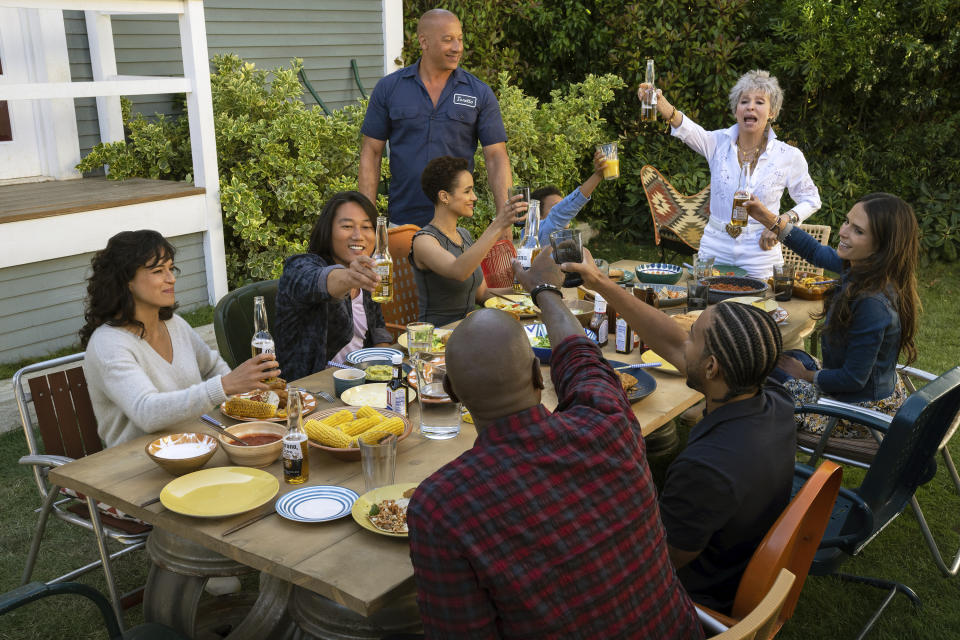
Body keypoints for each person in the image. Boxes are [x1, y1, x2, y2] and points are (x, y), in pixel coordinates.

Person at [406, 249, 703, 639]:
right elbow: (581, 357)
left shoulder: (441, 506)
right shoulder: (609, 422)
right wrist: (544, 290)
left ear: (451, 392)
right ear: (537, 374)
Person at [563, 249, 796, 612]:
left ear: (712, 366)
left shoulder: (708, 469)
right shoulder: (774, 402)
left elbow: (653, 562)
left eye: (694, 337)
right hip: (734, 551)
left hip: (692, 595)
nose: (683, 339)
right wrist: (599, 283)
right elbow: (671, 341)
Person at [745, 192, 920, 439]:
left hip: (856, 411)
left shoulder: (872, 302)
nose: (844, 232)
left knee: (757, 371)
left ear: (882, 246)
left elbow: (852, 380)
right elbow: (815, 251)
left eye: (858, 231)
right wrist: (766, 217)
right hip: (862, 393)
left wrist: (805, 375)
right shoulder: (865, 270)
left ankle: (743, 444)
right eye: (847, 222)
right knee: (782, 357)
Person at [81, 230, 279, 447]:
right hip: (138, 465)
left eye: (171, 268)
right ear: (126, 281)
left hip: (196, 445)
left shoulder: (174, 324)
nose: (171, 278)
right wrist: (225, 386)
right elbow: (146, 412)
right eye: (158, 271)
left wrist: (241, 395)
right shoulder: (108, 344)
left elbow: (212, 365)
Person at [640, 69, 821, 278]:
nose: (750, 106)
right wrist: (658, 100)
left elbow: (811, 199)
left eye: (760, 102)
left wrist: (780, 223)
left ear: (772, 112)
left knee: (759, 308)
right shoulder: (717, 142)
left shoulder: (788, 155)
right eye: (744, 101)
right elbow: (685, 127)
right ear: (736, 110)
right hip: (715, 248)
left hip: (761, 254)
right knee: (707, 305)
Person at [358, 8, 511, 228]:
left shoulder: (478, 93)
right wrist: (367, 220)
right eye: (448, 40)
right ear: (424, 41)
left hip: (457, 227)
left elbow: (496, 157)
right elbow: (371, 153)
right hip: (403, 224)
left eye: (459, 39)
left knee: (458, 265)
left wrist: (503, 219)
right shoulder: (389, 88)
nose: (457, 48)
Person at [275, 191, 394, 380]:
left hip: (361, 381)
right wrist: (349, 278)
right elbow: (315, 280)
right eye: (347, 226)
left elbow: (377, 328)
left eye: (366, 227)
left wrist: (385, 368)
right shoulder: (299, 267)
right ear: (327, 230)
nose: (358, 236)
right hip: (312, 390)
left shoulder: (367, 271)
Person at [410, 156, 525, 326]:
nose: (474, 197)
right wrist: (499, 224)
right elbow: (458, 271)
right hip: (437, 336)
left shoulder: (464, 235)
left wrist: (524, 288)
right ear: (444, 197)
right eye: (467, 191)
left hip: (470, 330)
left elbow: (482, 294)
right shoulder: (424, 241)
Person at [532, 149, 608, 247]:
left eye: (562, 204)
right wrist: (597, 175)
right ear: (539, 218)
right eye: (556, 207)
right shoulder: (539, 235)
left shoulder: (565, 240)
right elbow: (560, 213)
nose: (562, 209)